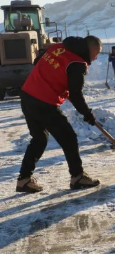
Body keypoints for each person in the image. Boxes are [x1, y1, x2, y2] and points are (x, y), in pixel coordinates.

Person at [17, 36, 102, 193]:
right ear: (90, 49)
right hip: (44, 102)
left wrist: (57, 82)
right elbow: (76, 95)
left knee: (39, 139)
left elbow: (38, 63)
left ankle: (23, 180)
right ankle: (77, 177)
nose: (96, 58)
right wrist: (88, 114)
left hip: (28, 95)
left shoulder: (58, 47)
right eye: (97, 53)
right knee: (68, 137)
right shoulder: (77, 63)